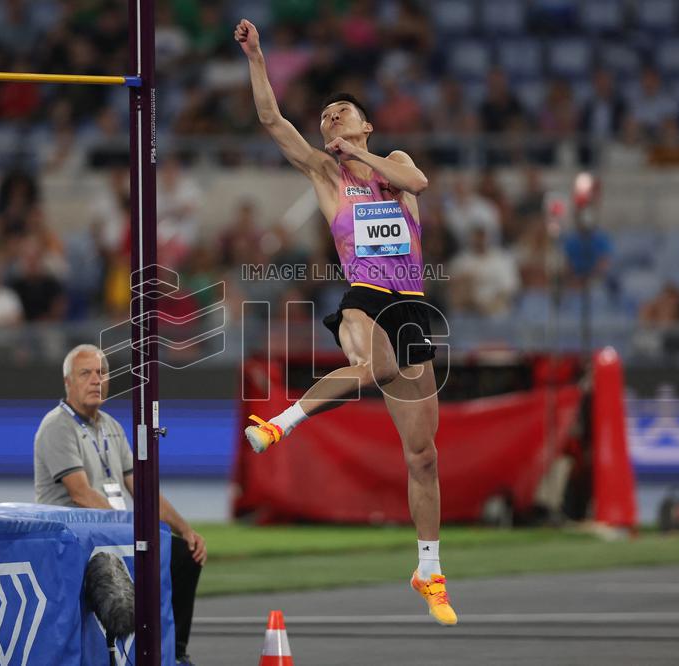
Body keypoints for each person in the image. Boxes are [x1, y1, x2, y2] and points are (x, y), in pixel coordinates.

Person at [234, 19, 456, 626]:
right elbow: (273, 122)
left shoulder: (391, 163)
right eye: (327, 115)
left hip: (410, 301)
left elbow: (418, 181)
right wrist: (257, 58)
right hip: (364, 293)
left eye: (341, 113)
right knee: (366, 365)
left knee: (423, 457)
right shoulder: (325, 177)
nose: (330, 119)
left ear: (365, 127)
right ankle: (280, 423)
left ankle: (429, 568)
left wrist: (361, 154)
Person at [34, 344, 204, 666]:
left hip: (110, 534)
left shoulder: (111, 426)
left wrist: (185, 529)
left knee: (185, 556)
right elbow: (81, 494)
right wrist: (131, 529)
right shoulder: (57, 426)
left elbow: (143, 490)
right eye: (86, 373)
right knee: (141, 559)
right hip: (73, 540)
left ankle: (175, 652)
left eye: (102, 373)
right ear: (68, 382)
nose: (96, 380)